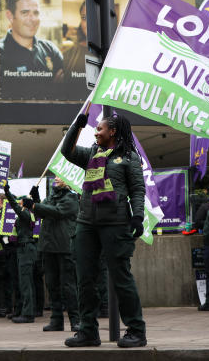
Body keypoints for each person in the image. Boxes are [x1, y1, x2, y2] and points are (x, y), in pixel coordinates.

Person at [61, 112, 147, 348]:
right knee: (85, 279)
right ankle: (88, 331)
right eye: (95, 129)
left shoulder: (129, 158)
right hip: (86, 224)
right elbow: (66, 151)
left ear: (113, 132)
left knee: (121, 278)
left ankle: (136, 331)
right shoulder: (91, 154)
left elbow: (138, 190)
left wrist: (137, 217)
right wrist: (77, 124)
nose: (96, 132)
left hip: (116, 224)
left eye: (100, 129)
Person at [31, 176, 80, 332]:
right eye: (56, 176)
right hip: (48, 247)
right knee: (52, 285)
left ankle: (75, 320)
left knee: (68, 286)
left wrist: (34, 205)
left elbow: (57, 212)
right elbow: (43, 212)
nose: (56, 178)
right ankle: (56, 320)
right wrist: (36, 201)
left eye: (60, 176)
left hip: (64, 247)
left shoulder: (71, 197)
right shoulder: (51, 196)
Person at [0, 0, 64, 82]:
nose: (33, 19)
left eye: (36, 13)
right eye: (25, 12)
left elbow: (67, 83)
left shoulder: (50, 49)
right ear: (10, 16)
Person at [3, 187, 37, 323]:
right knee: (26, 282)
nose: (19, 203)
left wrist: (7, 193)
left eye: (21, 201)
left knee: (25, 283)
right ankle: (26, 310)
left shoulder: (25, 214)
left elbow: (15, 206)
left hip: (26, 248)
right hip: (24, 248)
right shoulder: (28, 213)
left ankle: (28, 314)